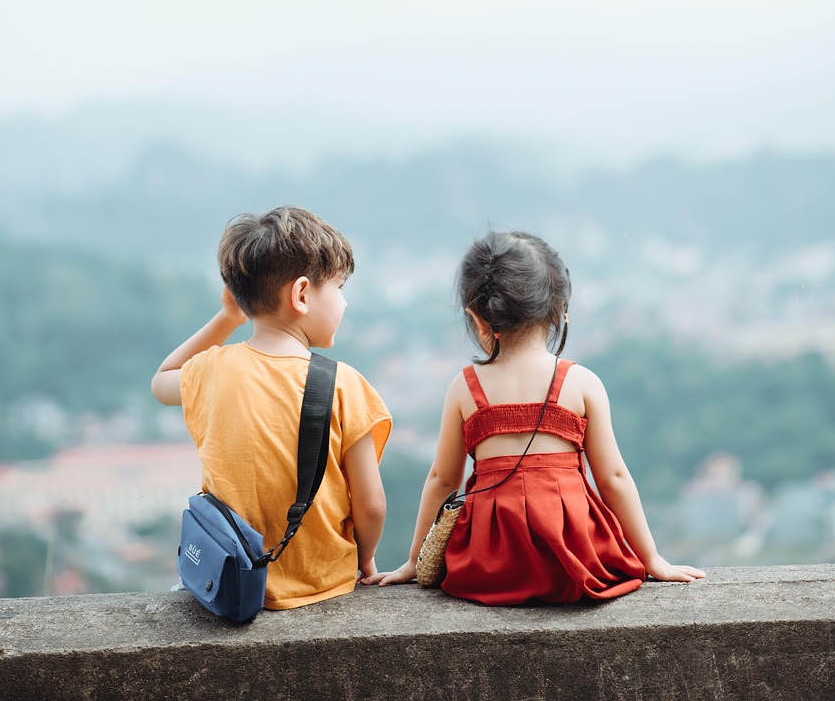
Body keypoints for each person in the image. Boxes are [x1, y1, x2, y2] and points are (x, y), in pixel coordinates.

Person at [364, 230, 704, 604]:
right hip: (573, 558)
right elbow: (613, 477)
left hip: (488, 564)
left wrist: (415, 560)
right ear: (559, 311)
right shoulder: (580, 383)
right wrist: (652, 558)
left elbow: (443, 479)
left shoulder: (464, 387)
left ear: (477, 319)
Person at [151, 205, 391, 609]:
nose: (344, 304)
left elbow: (162, 381)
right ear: (301, 294)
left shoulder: (211, 370)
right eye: (338, 288)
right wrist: (364, 558)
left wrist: (228, 319)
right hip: (323, 585)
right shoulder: (345, 385)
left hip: (234, 581)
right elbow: (371, 505)